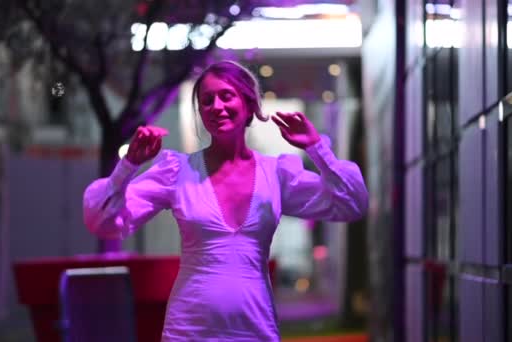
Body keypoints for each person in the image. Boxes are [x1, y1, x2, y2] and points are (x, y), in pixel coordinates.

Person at [83, 60, 369, 341]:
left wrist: (317, 148)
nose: (216, 107)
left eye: (226, 96)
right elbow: (102, 221)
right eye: (206, 101)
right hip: (189, 329)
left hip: (254, 327)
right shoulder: (177, 172)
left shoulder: (277, 174)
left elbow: (352, 203)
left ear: (249, 106)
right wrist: (128, 166)